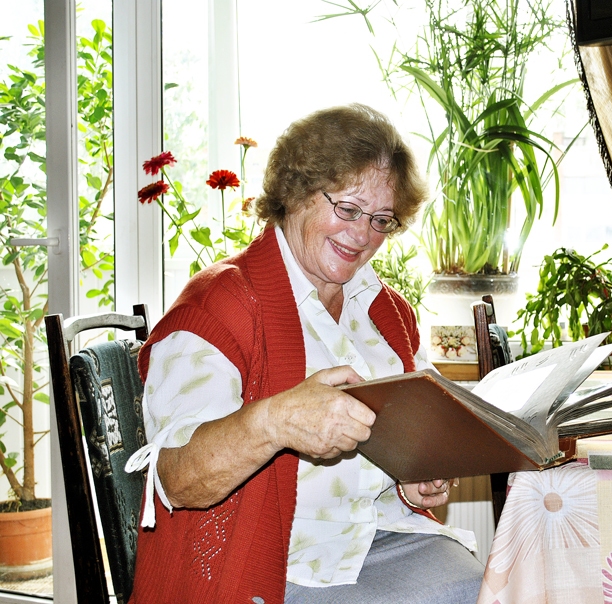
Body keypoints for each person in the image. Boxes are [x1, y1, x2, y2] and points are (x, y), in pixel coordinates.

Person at [127, 104, 484, 603]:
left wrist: (414, 475)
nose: (363, 236)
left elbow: (414, 429)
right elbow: (178, 480)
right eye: (347, 209)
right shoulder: (220, 303)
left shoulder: (385, 310)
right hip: (271, 561)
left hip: (378, 537)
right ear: (294, 193)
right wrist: (274, 422)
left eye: (382, 219)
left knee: (493, 588)